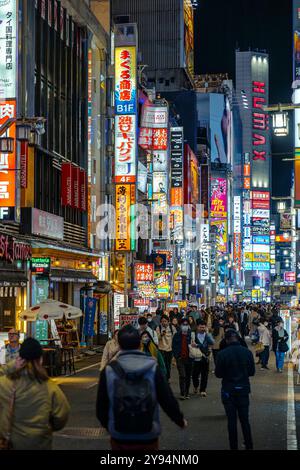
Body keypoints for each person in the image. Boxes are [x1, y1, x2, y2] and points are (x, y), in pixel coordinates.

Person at [96, 325, 187, 451]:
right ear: (139, 344)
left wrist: (110, 426)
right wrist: (179, 419)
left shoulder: (109, 371)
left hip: (120, 435)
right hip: (148, 433)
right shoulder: (152, 367)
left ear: (119, 345)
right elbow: (167, 398)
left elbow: (101, 407)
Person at [0, 338, 70, 450]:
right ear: (41, 360)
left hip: (12, 444)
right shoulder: (50, 387)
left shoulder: (5, 384)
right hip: (40, 444)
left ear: (20, 358)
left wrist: (11, 366)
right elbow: (61, 417)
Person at [215, 329, 255, 451]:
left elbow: (218, 374)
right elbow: (252, 372)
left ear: (226, 340)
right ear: (238, 338)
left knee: (231, 421)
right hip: (243, 390)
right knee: (244, 420)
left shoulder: (222, 354)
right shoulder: (247, 352)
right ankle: (249, 445)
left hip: (228, 390)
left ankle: (234, 446)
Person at [191, 320, 214, 397]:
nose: (202, 329)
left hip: (205, 357)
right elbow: (191, 344)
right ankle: (196, 386)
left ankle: (203, 390)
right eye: (201, 327)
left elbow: (212, 342)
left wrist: (207, 335)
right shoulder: (194, 335)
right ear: (197, 327)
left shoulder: (207, 335)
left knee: (205, 374)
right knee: (195, 374)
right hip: (196, 358)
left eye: (204, 327)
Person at [172, 318, 193, 400]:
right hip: (180, 358)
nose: (185, 326)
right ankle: (182, 393)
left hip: (189, 358)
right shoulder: (177, 335)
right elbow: (174, 346)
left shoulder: (191, 335)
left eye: (186, 325)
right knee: (182, 375)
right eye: (183, 325)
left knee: (188, 376)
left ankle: (187, 392)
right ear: (180, 326)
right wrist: (176, 356)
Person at [158, 315, 177, 383]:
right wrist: (161, 334)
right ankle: (163, 377)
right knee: (162, 364)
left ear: (168, 322)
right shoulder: (159, 328)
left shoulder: (172, 328)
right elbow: (156, 339)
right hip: (161, 349)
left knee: (168, 364)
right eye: (162, 321)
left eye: (165, 321)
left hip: (169, 349)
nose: (164, 323)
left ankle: (168, 377)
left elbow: (175, 338)